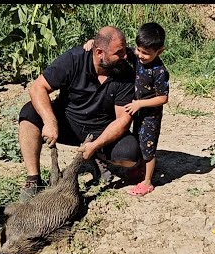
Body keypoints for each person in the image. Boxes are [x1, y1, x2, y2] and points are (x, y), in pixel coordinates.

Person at [17, 26, 141, 201]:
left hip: (101, 128)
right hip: (67, 123)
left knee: (130, 155)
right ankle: (33, 179)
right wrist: (50, 121)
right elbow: (38, 87)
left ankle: (98, 155)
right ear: (99, 52)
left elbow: (123, 119)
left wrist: (96, 144)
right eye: (119, 53)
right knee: (29, 113)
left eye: (124, 51)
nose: (125, 56)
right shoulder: (74, 59)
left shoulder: (125, 72)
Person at [84, 22, 169, 196]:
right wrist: (94, 42)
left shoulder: (159, 71)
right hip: (137, 113)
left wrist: (140, 104)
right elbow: (114, 49)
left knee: (148, 149)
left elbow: (163, 98)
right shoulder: (136, 56)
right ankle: (140, 170)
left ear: (159, 52)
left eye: (146, 53)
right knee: (138, 141)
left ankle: (147, 182)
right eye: (139, 49)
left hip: (150, 116)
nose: (140, 55)